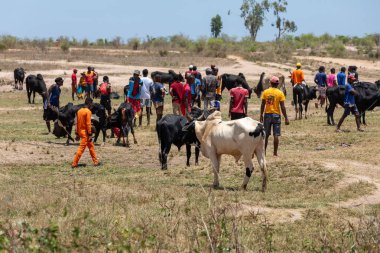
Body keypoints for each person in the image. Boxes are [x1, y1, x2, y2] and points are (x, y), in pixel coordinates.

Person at [260, 76, 289, 157]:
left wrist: (261, 115)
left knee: (266, 134)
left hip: (267, 115)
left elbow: (262, 104)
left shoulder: (265, 92)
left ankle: (264, 152)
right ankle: (275, 153)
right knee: (276, 134)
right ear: (277, 84)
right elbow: (282, 107)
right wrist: (286, 118)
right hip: (276, 115)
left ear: (270, 83)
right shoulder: (280, 93)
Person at [71, 97, 100, 168]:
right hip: (85, 133)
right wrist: (90, 134)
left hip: (80, 131)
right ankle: (74, 163)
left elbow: (77, 123)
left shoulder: (79, 111)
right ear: (89, 103)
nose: (92, 105)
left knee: (91, 146)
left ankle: (96, 161)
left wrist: (77, 133)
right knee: (81, 149)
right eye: (91, 103)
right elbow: (88, 124)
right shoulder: (88, 112)